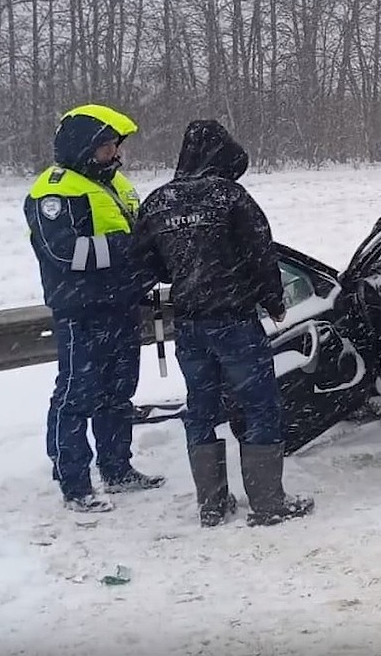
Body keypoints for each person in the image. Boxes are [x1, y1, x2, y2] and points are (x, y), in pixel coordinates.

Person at [133, 119, 313, 527]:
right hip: (235, 322)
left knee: (200, 408)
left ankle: (211, 505)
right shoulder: (231, 197)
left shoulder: (159, 202)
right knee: (260, 407)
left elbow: (145, 267)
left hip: (190, 325)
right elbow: (261, 255)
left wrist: (182, 267)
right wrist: (273, 301)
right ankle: (268, 503)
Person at [24, 104, 165, 513]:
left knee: (119, 393)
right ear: (84, 147)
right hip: (82, 312)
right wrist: (129, 252)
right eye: (107, 148)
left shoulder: (116, 184)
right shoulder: (53, 191)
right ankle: (74, 481)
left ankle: (117, 468)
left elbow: (137, 229)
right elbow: (62, 251)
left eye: (116, 149)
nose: (115, 156)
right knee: (77, 395)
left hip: (121, 306)